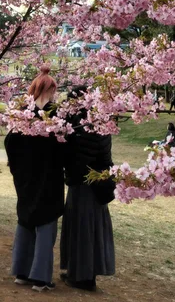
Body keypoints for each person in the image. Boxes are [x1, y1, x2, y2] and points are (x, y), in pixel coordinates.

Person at [5, 64, 65, 293]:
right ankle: (40, 278)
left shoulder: (22, 112)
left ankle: (21, 272)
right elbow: (64, 147)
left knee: (26, 220)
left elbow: (10, 143)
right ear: (50, 89)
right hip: (48, 177)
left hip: (26, 177)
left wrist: (18, 169)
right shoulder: (57, 115)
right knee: (46, 224)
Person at [60, 88, 115, 292]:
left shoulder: (77, 126)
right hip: (100, 183)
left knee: (81, 230)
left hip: (82, 184)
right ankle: (83, 273)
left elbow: (72, 157)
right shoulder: (102, 121)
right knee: (94, 230)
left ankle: (81, 277)